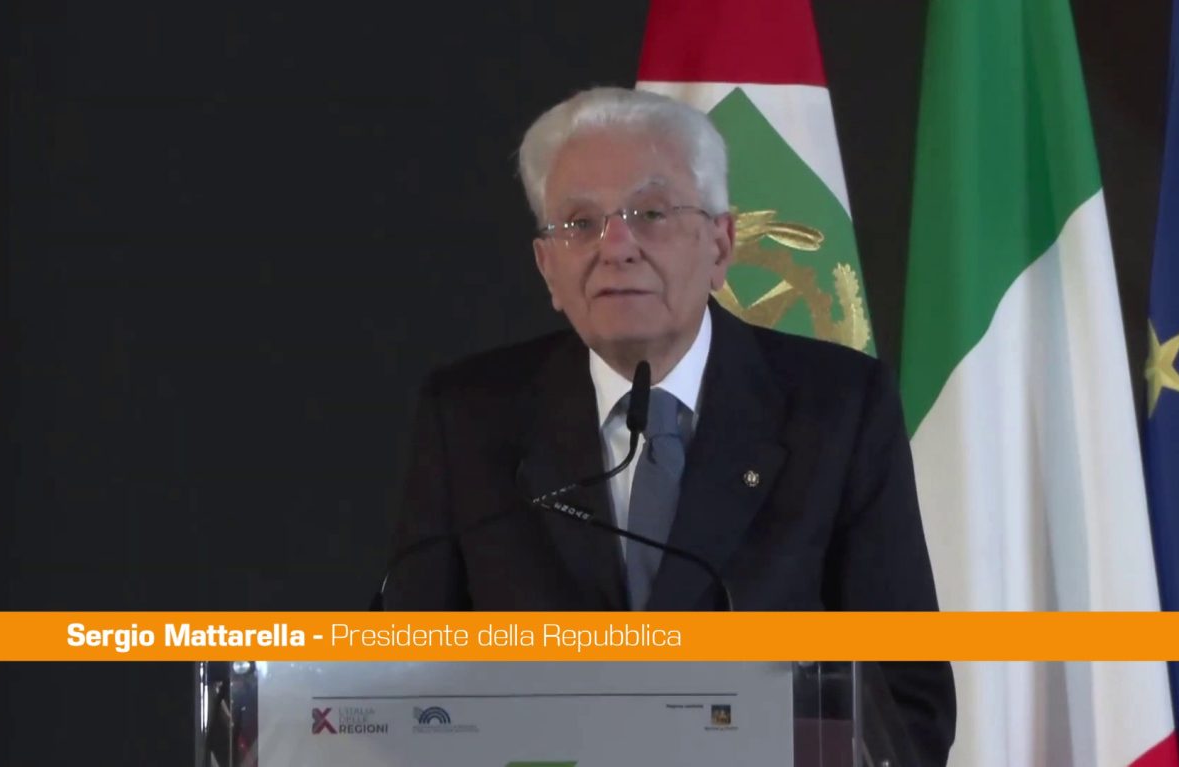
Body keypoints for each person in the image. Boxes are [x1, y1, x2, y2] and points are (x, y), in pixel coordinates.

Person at [387, 86, 954, 765]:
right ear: (548, 268)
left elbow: (906, 696)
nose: (615, 247)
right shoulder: (468, 416)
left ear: (720, 244)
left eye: (650, 213)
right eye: (579, 223)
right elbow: (405, 682)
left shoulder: (838, 407)